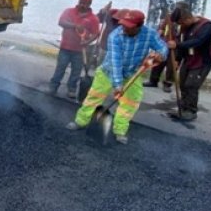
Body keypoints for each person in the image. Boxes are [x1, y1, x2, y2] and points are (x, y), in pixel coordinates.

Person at [65, 9, 168, 144]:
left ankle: (120, 130)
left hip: (132, 73)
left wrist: (161, 54)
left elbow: (163, 46)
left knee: (131, 102)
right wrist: (118, 85)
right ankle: (81, 121)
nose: (123, 28)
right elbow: (116, 62)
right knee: (94, 97)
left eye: (128, 26)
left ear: (139, 26)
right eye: (123, 24)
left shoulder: (149, 34)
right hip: (108, 72)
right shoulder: (116, 36)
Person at [166, 2, 211, 121]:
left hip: (202, 60)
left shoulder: (207, 26)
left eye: (181, 22)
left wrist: (177, 45)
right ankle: (183, 108)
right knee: (182, 82)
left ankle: (191, 110)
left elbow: (198, 41)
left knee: (191, 85)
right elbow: (181, 44)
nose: (181, 25)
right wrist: (177, 59)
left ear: (187, 18)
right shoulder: (184, 28)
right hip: (189, 58)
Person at [48, 0, 100, 98]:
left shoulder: (93, 19)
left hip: (80, 50)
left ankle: (71, 89)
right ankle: (53, 86)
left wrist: (87, 42)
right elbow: (61, 22)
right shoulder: (69, 11)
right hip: (65, 47)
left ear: (89, 4)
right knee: (60, 68)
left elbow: (96, 34)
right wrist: (75, 26)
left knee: (76, 71)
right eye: (81, 2)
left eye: (85, 3)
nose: (82, 5)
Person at [143, 14, 179, 93]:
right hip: (163, 45)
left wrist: (176, 43)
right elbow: (160, 31)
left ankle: (167, 84)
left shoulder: (179, 25)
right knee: (158, 62)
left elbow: (180, 37)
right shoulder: (165, 22)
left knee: (171, 66)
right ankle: (153, 81)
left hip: (174, 48)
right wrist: (160, 32)